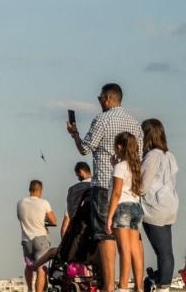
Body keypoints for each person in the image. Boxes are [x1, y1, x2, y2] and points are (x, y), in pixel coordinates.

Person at [67, 83, 142, 292]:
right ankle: (135, 284)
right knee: (132, 235)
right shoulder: (135, 124)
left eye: (100, 97)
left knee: (105, 234)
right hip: (131, 188)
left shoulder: (102, 119)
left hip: (104, 184)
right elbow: (140, 155)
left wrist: (74, 134)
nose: (99, 100)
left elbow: (85, 149)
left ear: (108, 98)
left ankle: (110, 286)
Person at [140, 120, 179, 291]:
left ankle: (163, 286)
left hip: (153, 207)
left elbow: (143, 186)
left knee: (162, 253)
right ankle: (162, 282)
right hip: (169, 205)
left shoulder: (152, 156)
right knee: (166, 251)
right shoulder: (169, 155)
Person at [106, 132, 145, 292]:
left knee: (124, 250)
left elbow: (116, 192)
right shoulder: (135, 166)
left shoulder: (120, 167)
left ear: (120, 147)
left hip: (122, 207)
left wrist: (109, 217)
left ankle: (122, 286)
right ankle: (139, 286)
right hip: (136, 207)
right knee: (135, 248)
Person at [17, 180, 57, 292]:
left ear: (29, 189)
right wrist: (44, 221)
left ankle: (30, 289)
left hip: (26, 240)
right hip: (40, 238)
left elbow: (20, 218)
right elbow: (54, 221)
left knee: (29, 266)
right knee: (41, 267)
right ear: (40, 191)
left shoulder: (20, 203)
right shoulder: (44, 203)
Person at [61, 162, 92, 239]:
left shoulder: (73, 190)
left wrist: (64, 241)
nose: (77, 178)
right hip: (95, 230)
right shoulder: (99, 186)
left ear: (81, 171)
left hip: (79, 231)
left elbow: (67, 218)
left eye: (77, 175)